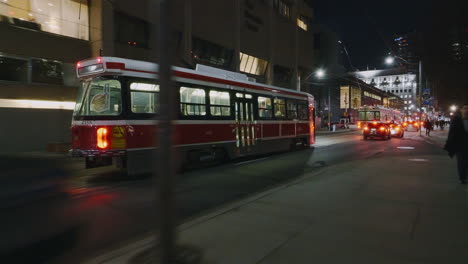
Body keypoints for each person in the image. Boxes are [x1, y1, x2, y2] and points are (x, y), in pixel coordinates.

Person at [444, 104, 468, 184]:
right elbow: (452, 132)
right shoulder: (456, 119)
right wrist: (450, 143)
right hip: (460, 145)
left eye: (467, 109)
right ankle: (462, 178)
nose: (466, 110)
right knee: (461, 162)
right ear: (461, 110)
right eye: (465, 108)